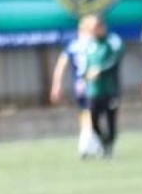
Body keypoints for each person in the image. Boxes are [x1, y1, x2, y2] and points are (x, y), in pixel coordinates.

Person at [49, 18, 103, 159]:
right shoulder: (93, 45)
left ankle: (88, 143)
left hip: (79, 85)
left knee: (85, 113)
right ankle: (89, 144)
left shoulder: (73, 46)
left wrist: (56, 85)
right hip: (92, 84)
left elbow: (60, 66)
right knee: (91, 114)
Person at [81, 15, 124, 158]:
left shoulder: (112, 41)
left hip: (110, 89)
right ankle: (104, 143)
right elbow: (85, 64)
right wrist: (85, 75)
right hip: (93, 90)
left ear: (102, 27)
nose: (93, 31)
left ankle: (109, 147)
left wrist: (101, 70)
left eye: (95, 28)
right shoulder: (89, 45)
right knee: (93, 122)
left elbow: (116, 60)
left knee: (111, 120)